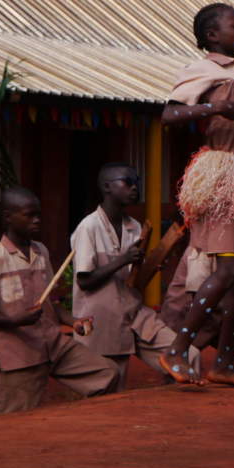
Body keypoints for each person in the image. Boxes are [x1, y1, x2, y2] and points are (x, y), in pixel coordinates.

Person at [158, 3, 234, 388]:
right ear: (213, 36)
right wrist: (216, 107)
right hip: (222, 177)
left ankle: (225, 361)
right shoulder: (203, 71)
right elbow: (169, 116)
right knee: (228, 269)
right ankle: (178, 349)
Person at [0, 187, 117, 414]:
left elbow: (50, 302)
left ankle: (85, 429)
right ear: (7, 218)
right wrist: (17, 320)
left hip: (54, 344)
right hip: (21, 355)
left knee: (107, 373)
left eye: (39, 215)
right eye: (29, 215)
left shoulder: (41, 251)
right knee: (13, 420)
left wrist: (74, 322)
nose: (37, 220)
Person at [71, 163, 199, 390]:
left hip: (135, 313)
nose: (134, 188)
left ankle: (178, 415)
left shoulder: (135, 227)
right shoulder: (88, 227)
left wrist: (152, 266)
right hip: (102, 319)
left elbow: (132, 281)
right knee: (110, 388)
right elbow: (85, 281)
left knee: (188, 356)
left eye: (136, 183)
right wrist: (123, 259)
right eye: (127, 182)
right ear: (107, 187)